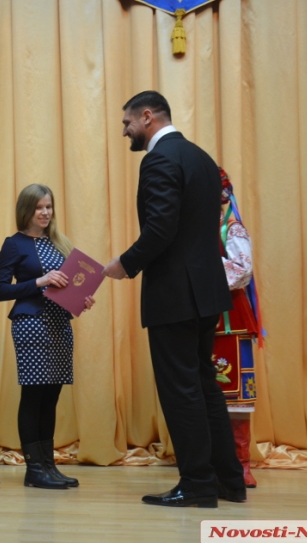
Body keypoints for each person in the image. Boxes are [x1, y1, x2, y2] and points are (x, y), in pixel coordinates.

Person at [102, 91, 246, 508]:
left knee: (181, 390)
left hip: (175, 295)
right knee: (204, 385)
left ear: (148, 117)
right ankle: (228, 481)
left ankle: (198, 484)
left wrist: (124, 264)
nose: (125, 130)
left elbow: (161, 229)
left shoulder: (159, 159)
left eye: (128, 122)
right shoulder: (201, 158)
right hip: (206, 292)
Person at [0, 184, 94, 490]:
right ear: (26, 210)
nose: (46, 212)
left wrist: (81, 298)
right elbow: (1, 290)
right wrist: (40, 280)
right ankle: (34, 469)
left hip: (59, 324)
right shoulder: (15, 244)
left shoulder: (58, 243)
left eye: (49, 206)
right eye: (39, 207)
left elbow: (67, 286)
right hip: (31, 324)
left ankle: (48, 466)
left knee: (51, 397)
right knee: (34, 395)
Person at [213, 167, 262, 488]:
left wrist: (203, 268)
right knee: (211, 394)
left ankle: (241, 464)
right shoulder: (201, 228)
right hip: (206, 322)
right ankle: (216, 462)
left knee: (238, 397)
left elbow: (242, 271)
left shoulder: (232, 227)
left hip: (232, 322)